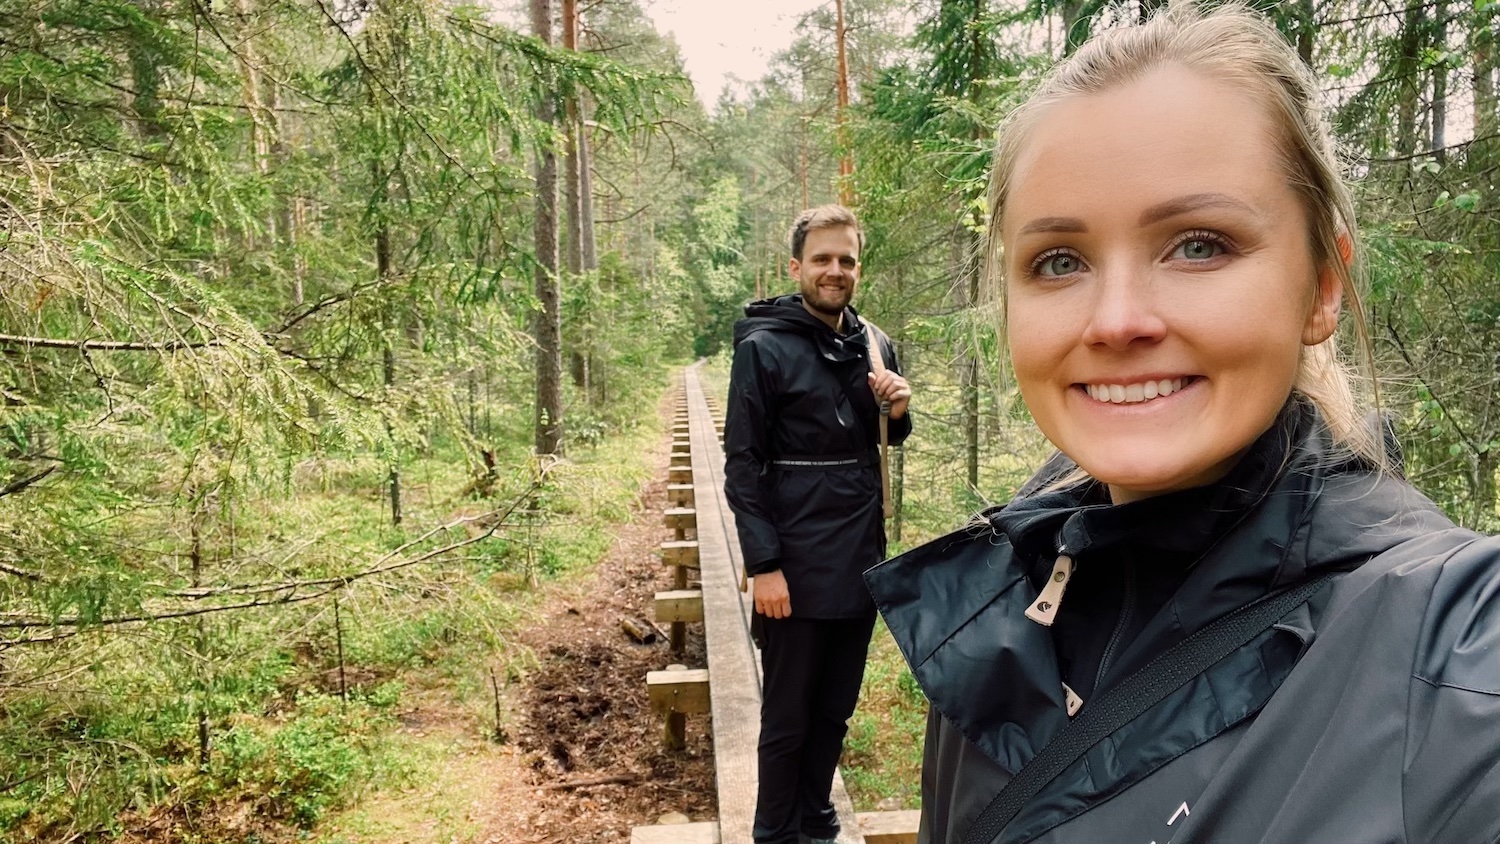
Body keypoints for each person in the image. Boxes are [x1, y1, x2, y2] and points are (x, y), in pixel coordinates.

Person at [863, 4, 1500, 844]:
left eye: (1199, 245)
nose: (1117, 320)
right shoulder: (1005, 595)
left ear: (1322, 287)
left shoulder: (1455, 651)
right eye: (1059, 262)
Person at [724, 204, 913, 844]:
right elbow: (743, 465)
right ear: (797, 266)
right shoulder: (763, 348)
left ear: (859, 267)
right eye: (823, 259)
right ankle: (775, 833)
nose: (836, 271)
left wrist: (899, 405)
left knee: (834, 709)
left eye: (847, 260)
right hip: (794, 560)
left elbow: (880, 437)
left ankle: (816, 821)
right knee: (788, 716)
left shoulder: (872, 340)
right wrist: (764, 565)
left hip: (858, 550)